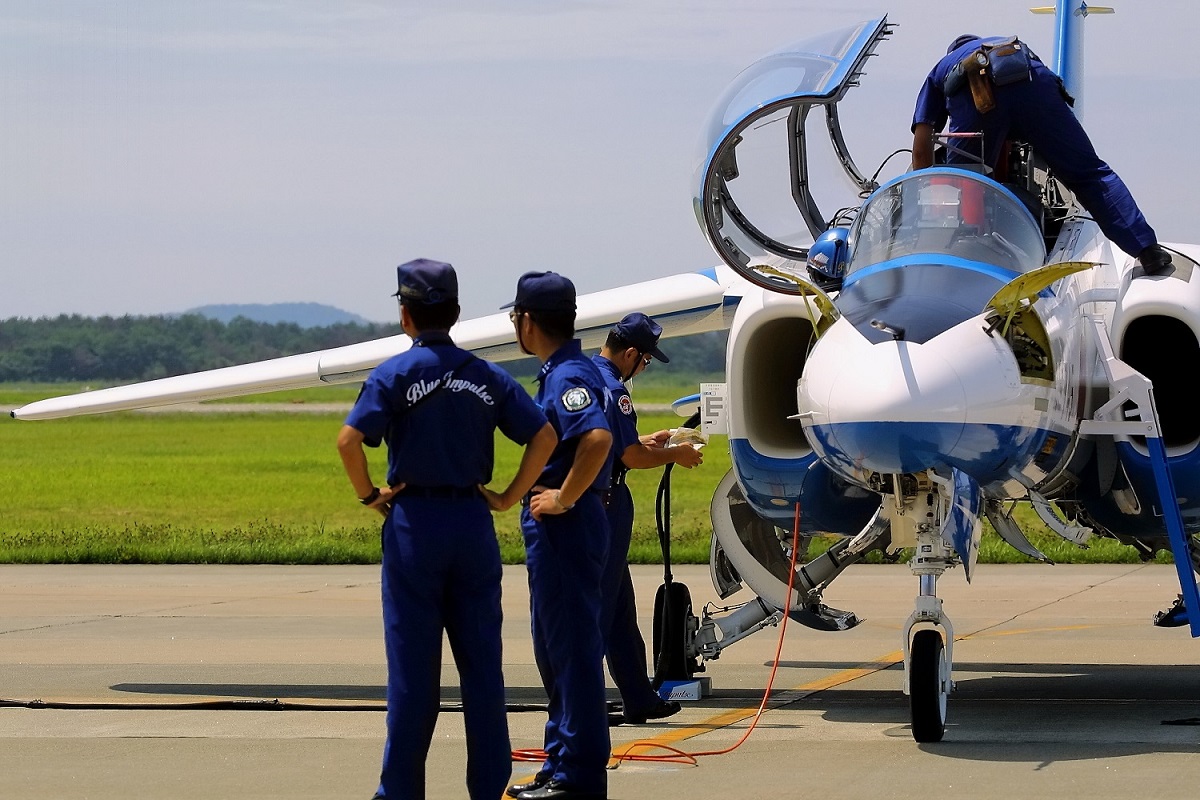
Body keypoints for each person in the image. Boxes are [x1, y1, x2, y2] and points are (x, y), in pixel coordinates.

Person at [336, 258, 557, 800]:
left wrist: (370, 496)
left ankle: (400, 791)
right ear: (456, 313)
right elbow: (544, 436)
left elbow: (349, 441)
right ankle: (488, 787)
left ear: (405, 315)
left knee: (413, 674)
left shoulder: (393, 374)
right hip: (471, 523)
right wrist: (508, 496)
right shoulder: (486, 375)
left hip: (415, 524)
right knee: (482, 671)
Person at [910, 33, 1174, 275]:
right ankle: (1147, 250)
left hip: (976, 93)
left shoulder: (940, 68)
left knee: (967, 182)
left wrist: (926, 200)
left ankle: (963, 261)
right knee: (1089, 173)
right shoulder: (1003, 44)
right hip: (1035, 86)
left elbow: (921, 149)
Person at [502, 271, 613, 800]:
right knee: (554, 649)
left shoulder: (567, 375)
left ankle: (577, 776)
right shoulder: (564, 369)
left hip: (566, 524)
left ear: (527, 322)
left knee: (571, 652)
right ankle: (560, 762)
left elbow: (596, 438)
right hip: (560, 526)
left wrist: (564, 497)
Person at [591, 312, 703, 725]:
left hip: (596, 501)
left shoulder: (587, 377)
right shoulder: (614, 389)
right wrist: (677, 453)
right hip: (604, 503)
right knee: (599, 608)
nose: (644, 367)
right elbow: (631, 458)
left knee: (619, 608)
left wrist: (646, 440)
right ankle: (581, 703)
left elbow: (614, 443)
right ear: (632, 354)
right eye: (646, 360)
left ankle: (639, 697)